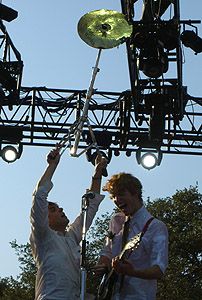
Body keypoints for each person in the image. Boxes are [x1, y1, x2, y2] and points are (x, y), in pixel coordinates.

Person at [30, 147, 107, 300]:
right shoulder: (43, 236)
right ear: (43, 218)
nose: (61, 209)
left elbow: (90, 207)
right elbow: (39, 195)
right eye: (53, 209)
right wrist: (52, 165)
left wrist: (97, 174)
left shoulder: (71, 237)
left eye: (59, 207)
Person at [94, 172, 168, 300]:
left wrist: (132, 272)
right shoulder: (115, 221)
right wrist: (102, 266)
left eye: (121, 194)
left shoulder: (156, 227)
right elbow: (106, 253)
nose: (117, 200)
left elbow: (159, 270)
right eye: (114, 196)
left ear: (136, 193)